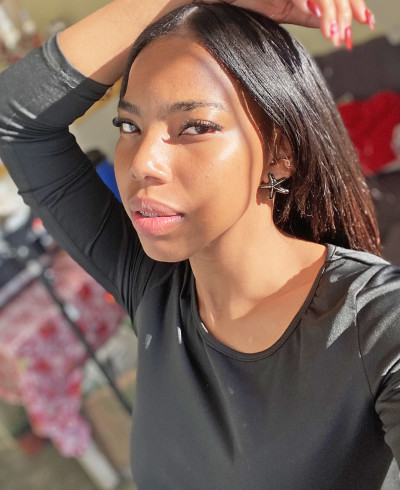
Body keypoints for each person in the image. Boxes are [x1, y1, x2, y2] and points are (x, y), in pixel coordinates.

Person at [0, 0, 397, 488]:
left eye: (194, 127)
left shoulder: (378, 323)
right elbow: (16, 118)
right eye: (129, 126)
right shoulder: (155, 289)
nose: (141, 163)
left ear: (280, 152)